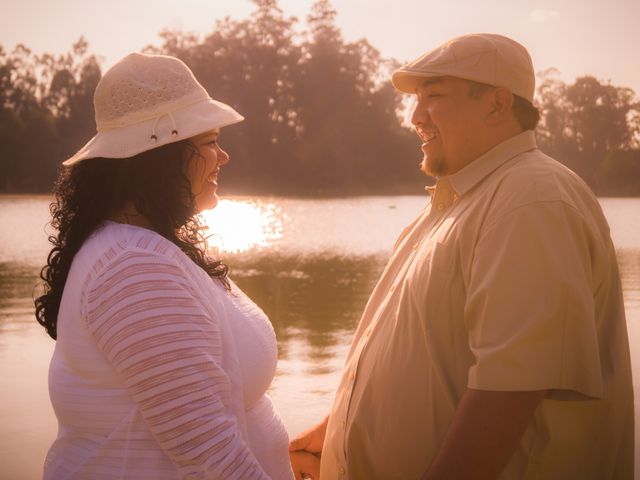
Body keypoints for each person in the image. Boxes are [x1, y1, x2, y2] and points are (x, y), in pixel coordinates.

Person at [290, 33, 634, 479]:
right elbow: (434, 358)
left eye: (433, 97)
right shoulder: (459, 202)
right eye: (416, 101)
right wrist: (338, 429)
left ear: (497, 104)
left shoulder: (530, 199)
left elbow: (507, 395)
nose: (416, 117)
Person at [35, 52, 312, 479]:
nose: (223, 157)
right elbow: (208, 454)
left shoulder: (145, 247)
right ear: (164, 155)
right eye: (211, 141)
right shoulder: (134, 269)